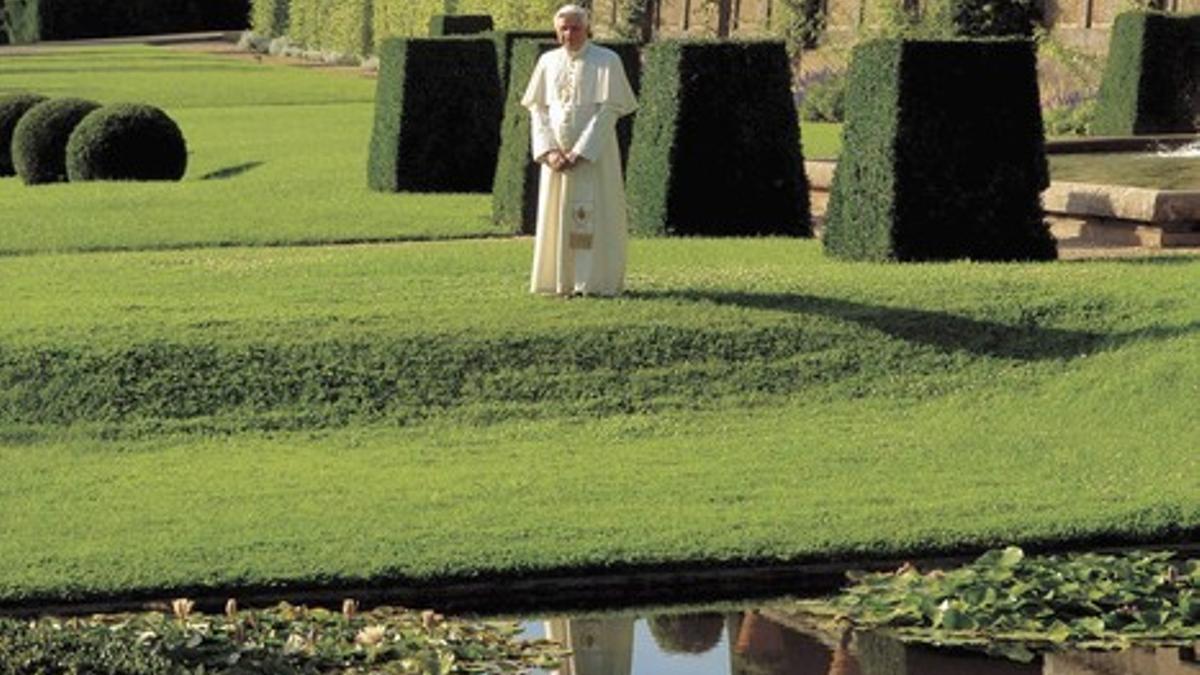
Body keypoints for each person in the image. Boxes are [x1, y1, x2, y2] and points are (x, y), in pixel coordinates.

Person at [521, 4, 638, 297]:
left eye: (575, 27)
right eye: (563, 28)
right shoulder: (547, 62)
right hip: (556, 161)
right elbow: (538, 109)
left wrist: (581, 151)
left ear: (587, 28)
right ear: (556, 30)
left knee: (596, 214)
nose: (569, 33)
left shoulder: (607, 61)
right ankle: (558, 281)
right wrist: (549, 152)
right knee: (556, 216)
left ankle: (594, 282)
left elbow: (609, 110)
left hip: (594, 158)